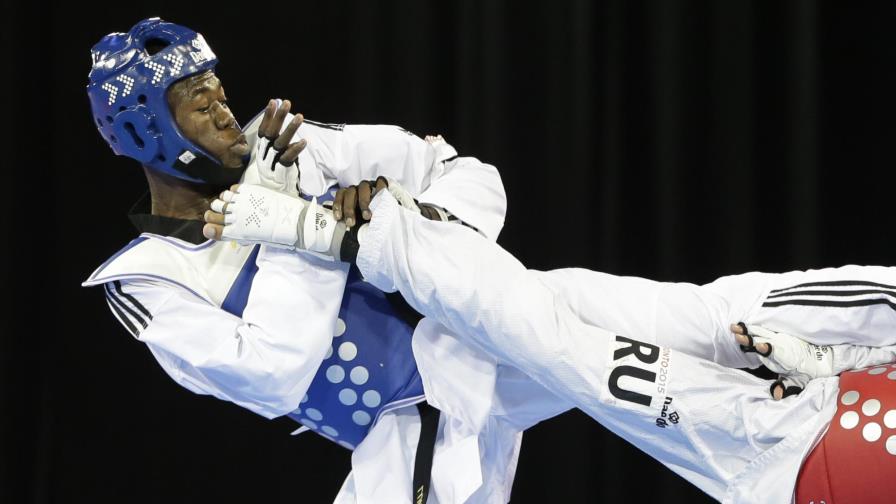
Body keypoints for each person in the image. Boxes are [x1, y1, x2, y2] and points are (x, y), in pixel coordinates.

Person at [206, 182, 896, 503]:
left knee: (561, 341)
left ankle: (353, 236)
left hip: (786, 469)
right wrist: (838, 360)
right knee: (563, 321)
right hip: (819, 419)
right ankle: (361, 237)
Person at [82, 18, 531, 503]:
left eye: (223, 98)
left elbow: (461, 171)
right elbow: (272, 377)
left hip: (489, 338)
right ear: (147, 132)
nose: (227, 116)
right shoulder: (146, 279)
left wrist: (409, 216)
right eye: (202, 106)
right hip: (405, 440)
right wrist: (284, 220)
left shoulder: (289, 146)